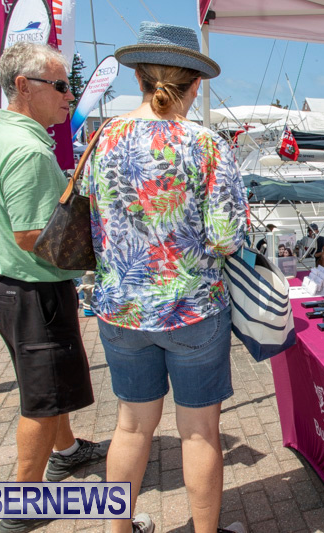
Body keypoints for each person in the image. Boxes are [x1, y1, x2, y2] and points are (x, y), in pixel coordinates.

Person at [80, 22, 247, 533]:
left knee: (131, 427)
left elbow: (94, 217)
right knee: (199, 433)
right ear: (194, 85)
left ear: (138, 78)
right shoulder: (206, 144)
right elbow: (227, 238)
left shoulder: (101, 138)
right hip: (193, 309)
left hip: (121, 309)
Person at [0, 42, 106, 533]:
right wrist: (94, 258)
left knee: (46, 386)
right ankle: (21, 506)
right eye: (61, 85)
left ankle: (65, 451)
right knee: (42, 401)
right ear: (23, 87)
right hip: (35, 291)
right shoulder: (27, 150)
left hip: (7, 284)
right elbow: (32, 234)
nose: (69, 95)